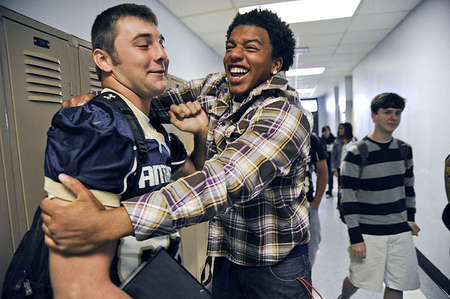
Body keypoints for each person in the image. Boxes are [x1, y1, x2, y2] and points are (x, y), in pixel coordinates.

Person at [40, 9, 314, 299]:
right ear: (103, 59)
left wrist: (111, 221)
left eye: (251, 48)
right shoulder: (217, 87)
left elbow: (225, 181)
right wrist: (99, 102)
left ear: (276, 64)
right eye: (231, 45)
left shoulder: (285, 114)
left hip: (274, 264)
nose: (235, 54)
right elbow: (150, 101)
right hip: (225, 254)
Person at [42, 4, 207, 298]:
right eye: (144, 45)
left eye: (160, 43)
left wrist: (201, 134)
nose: (161, 55)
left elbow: (197, 179)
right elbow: (79, 288)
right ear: (104, 60)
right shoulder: (97, 127)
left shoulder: (153, 127)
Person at [338, 93, 420, 299]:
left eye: (397, 113)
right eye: (387, 112)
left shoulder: (404, 150)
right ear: (374, 116)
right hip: (369, 232)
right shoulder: (357, 152)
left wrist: (410, 218)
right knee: (357, 280)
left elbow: (408, 187)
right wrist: (355, 238)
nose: (393, 117)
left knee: (396, 284)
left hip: (399, 230)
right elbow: (348, 198)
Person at [305, 133, 328, 266]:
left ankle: (306, 278)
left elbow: (322, 170)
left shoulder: (311, 139)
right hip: (279, 207)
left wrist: (316, 202)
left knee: (313, 242)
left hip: (307, 205)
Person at [331, 122, 356, 210]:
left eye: (342, 128)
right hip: (340, 168)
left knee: (351, 188)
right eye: (339, 128)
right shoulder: (337, 142)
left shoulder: (354, 141)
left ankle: (350, 204)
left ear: (347, 129)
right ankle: (340, 205)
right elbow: (333, 157)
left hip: (352, 169)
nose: (339, 130)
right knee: (341, 188)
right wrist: (334, 169)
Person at [321, 125, 335, 197]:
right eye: (325, 131)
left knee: (330, 176)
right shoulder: (320, 140)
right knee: (325, 176)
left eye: (327, 131)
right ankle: (327, 189)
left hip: (331, 160)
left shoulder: (333, 139)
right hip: (324, 160)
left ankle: (330, 191)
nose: (326, 133)